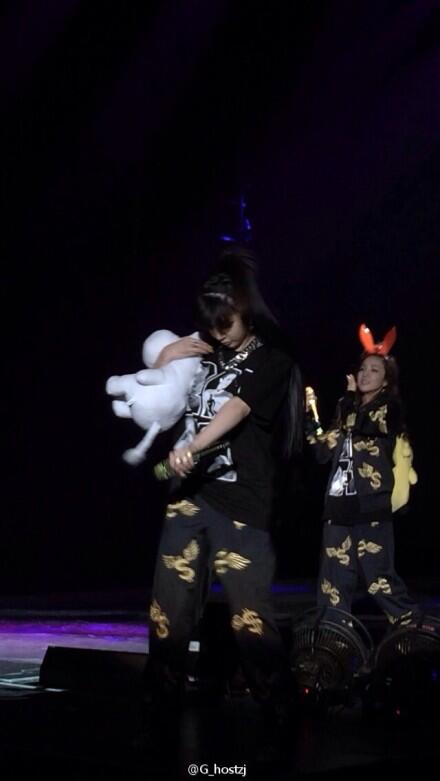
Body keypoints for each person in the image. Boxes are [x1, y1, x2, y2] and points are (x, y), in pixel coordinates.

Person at [146, 246, 303, 723]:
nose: (219, 334)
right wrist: (166, 355)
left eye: (226, 324)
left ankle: (279, 709)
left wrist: (195, 446)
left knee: (248, 619)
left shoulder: (272, 359)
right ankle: (161, 703)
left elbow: (236, 407)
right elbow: (160, 395)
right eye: (211, 326)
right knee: (169, 608)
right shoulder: (207, 349)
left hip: (241, 504)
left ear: (246, 312)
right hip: (188, 498)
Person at [306, 323, 420, 628]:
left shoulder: (388, 409)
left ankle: (414, 632)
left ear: (386, 380)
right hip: (337, 507)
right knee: (332, 584)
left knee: (379, 580)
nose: (365, 374)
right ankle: (334, 642)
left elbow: (368, 426)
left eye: (374, 370)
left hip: (371, 506)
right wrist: (310, 418)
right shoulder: (346, 410)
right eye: (362, 369)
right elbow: (323, 451)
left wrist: (348, 400)